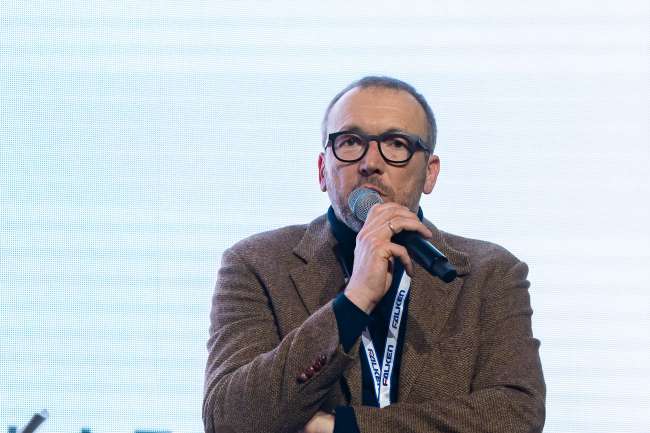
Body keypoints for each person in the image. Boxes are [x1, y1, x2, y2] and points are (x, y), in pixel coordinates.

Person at [203, 76, 546, 433]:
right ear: (322, 171)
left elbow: (517, 415)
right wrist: (354, 301)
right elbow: (228, 419)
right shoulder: (256, 264)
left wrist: (345, 428)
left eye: (396, 144)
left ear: (430, 174)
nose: (370, 162)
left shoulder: (491, 273)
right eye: (350, 142)